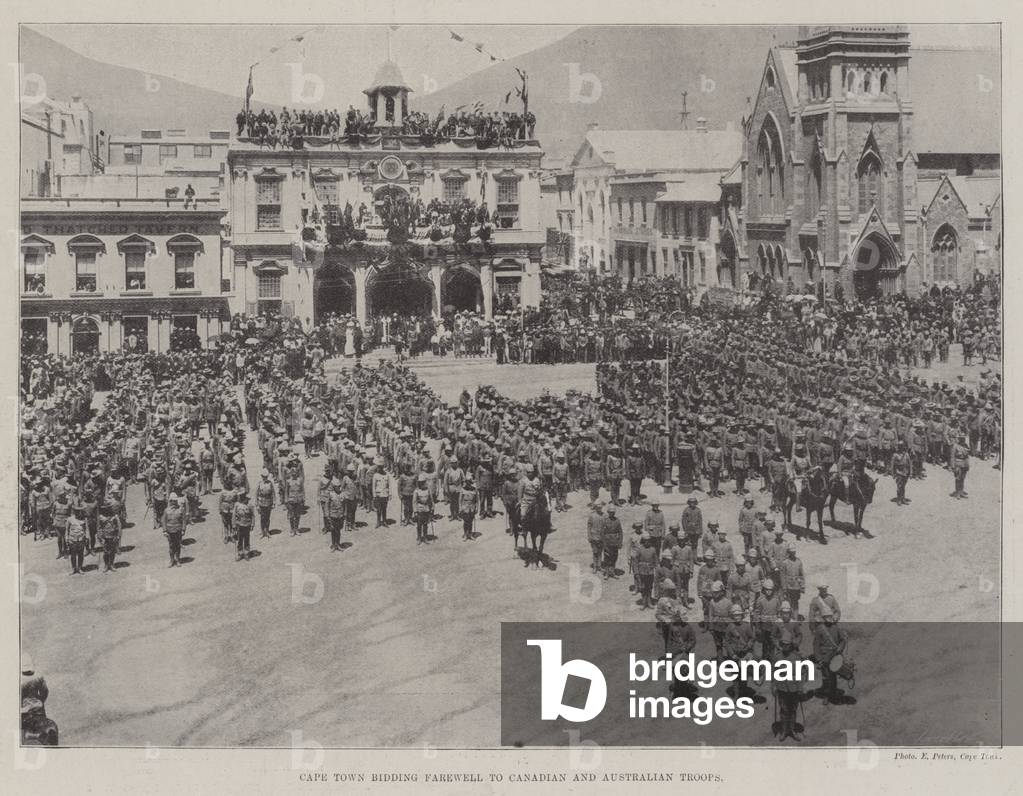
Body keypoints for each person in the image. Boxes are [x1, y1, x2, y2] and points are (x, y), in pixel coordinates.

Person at [812, 606, 849, 702]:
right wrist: (818, 658)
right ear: (823, 617)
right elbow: (816, 645)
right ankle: (827, 695)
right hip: (824, 657)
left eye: (830, 616)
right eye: (826, 616)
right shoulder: (820, 629)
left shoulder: (836, 627)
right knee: (826, 676)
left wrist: (840, 649)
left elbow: (843, 640)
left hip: (834, 655)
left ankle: (832, 693)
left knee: (833, 676)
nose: (828, 618)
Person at [779, 543, 805, 617]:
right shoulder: (785, 563)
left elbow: (801, 575)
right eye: (791, 552)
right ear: (788, 552)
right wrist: (784, 588)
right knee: (788, 602)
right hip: (788, 586)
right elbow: (782, 576)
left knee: (795, 602)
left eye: (794, 552)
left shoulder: (798, 562)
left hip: (796, 586)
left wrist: (802, 586)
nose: (793, 553)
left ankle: (795, 617)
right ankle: (789, 617)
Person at [162, 493, 187, 568]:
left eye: (175, 501)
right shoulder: (166, 510)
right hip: (170, 531)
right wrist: (165, 531)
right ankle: (172, 560)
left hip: (178, 530)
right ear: (170, 501)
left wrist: (183, 530)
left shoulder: (181, 509)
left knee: (178, 546)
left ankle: (178, 560)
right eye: (172, 501)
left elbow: (184, 520)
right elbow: (163, 521)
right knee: (171, 546)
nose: (174, 502)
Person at [97, 502, 122, 573]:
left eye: (108, 508)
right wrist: (100, 537)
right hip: (105, 537)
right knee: (105, 552)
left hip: (113, 536)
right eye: (105, 508)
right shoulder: (101, 517)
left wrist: (118, 536)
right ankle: (106, 565)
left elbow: (119, 526)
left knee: (112, 552)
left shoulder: (115, 516)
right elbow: (99, 528)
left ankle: (111, 564)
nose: (107, 510)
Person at [65, 502, 88, 575]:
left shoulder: (84, 519)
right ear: (74, 511)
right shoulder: (70, 519)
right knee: (73, 555)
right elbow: (67, 530)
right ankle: (74, 568)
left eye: (79, 511)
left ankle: (80, 568)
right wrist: (67, 538)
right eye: (76, 511)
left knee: (81, 554)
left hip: (81, 539)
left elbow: (86, 529)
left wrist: (87, 537)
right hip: (72, 539)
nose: (78, 512)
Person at [601, 505, 623, 579]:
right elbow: (602, 533)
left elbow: (620, 532)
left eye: (613, 512)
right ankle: (607, 573)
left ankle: (612, 572)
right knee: (607, 558)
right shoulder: (605, 520)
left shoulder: (617, 520)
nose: (612, 514)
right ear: (608, 512)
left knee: (614, 557)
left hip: (615, 542)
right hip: (607, 542)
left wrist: (620, 542)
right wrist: (604, 544)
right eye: (610, 512)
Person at [232, 490, 255, 561]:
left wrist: (252, 524)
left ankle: (247, 553)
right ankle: (240, 553)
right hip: (239, 524)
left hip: (247, 524)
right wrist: (234, 525)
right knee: (239, 539)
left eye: (243, 496)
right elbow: (234, 515)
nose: (241, 498)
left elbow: (253, 515)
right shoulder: (237, 505)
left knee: (247, 539)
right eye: (240, 497)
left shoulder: (250, 505)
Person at [412, 475, 433, 545]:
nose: (421, 484)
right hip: (419, 509)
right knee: (419, 525)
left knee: (425, 524)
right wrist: (415, 511)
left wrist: (432, 508)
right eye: (420, 482)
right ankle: (419, 537)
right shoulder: (416, 491)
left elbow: (431, 500)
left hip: (426, 509)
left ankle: (425, 537)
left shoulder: (428, 490)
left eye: (423, 482)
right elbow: (414, 502)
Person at [256, 470, 275, 538]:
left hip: (268, 502)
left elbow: (273, 493)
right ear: (261, 476)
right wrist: (257, 504)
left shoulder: (270, 483)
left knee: (267, 517)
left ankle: (267, 531)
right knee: (262, 517)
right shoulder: (260, 483)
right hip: (261, 502)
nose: (265, 478)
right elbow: (256, 494)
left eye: (266, 477)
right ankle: (262, 532)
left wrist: (274, 503)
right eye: (263, 477)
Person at [586, 501, 605, 573]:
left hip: (601, 537)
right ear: (595, 508)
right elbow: (589, 526)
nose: (599, 508)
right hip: (594, 537)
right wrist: (589, 536)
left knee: (600, 552)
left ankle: (599, 566)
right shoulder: (592, 515)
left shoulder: (604, 515)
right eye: (598, 507)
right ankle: (595, 566)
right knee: (595, 552)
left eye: (600, 507)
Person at [459, 476, 479, 541]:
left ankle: (470, 534)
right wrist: (460, 508)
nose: (468, 484)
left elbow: (477, 500)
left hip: (472, 507)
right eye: (467, 482)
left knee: (470, 521)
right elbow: (460, 500)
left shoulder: (474, 489)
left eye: (469, 482)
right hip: (465, 507)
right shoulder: (462, 489)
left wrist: (477, 508)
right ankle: (465, 534)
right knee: (466, 521)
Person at [373, 463, 391, 528]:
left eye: (381, 467)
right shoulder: (375, 475)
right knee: (378, 509)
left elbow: (389, 485)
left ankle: (384, 521)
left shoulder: (387, 475)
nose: (380, 468)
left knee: (384, 509)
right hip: (378, 495)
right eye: (379, 467)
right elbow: (373, 486)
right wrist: (374, 495)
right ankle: (378, 522)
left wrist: (390, 494)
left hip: (385, 494)